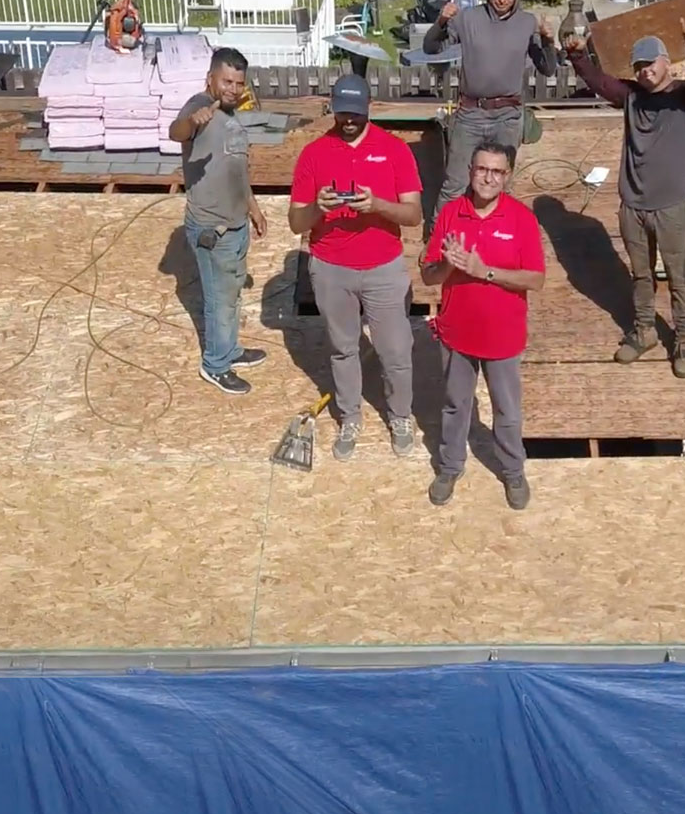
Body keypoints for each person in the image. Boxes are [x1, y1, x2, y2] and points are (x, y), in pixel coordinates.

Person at [288, 74, 426, 460]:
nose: (349, 120)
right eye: (343, 112)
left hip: (383, 267)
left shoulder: (395, 150)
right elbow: (296, 223)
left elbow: (414, 214)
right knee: (343, 348)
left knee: (396, 350)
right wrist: (320, 207)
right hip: (331, 267)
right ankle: (350, 416)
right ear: (333, 107)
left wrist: (377, 205)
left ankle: (400, 415)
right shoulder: (314, 154)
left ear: (369, 108)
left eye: (356, 113)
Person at [565, 19, 685, 378]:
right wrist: (578, 56)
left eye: (650, 64)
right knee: (641, 275)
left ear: (666, 63)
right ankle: (645, 330)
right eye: (638, 67)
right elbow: (599, 82)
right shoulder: (630, 97)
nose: (645, 72)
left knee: (679, 276)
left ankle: (684, 338)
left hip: (672, 205)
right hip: (633, 204)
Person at [419, 142, 545, 510]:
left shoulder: (521, 218)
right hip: (456, 333)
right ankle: (449, 466)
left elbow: (535, 279)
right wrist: (448, 267)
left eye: (497, 172)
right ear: (470, 171)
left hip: (503, 337)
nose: (488, 178)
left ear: (507, 176)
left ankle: (512, 470)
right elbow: (428, 276)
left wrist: (483, 271)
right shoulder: (450, 214)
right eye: (481, 170)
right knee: (456, 405)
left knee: (507, 411)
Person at [168, 46, 270, 394]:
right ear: (210, 78)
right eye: (226, 81)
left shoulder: (231, 119)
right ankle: (215, 364)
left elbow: (236, 171)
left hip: (236, 225)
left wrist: (253, 208)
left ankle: (231, 350)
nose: (232, 89)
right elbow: (175, 131)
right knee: (219, 300)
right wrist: (190, 122)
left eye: (238, 83)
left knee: (232, 295)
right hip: (212, 228)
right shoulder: (199, 106)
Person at [422, 0, 558, 218]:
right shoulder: (468, 18)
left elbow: (548, 68)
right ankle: (437, 243)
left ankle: (494, 242)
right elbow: (431, 48)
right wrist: (441, 21)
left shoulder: (528, 23)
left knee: (500, 184)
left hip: (507, 117)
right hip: (471, 114)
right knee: (456, 183)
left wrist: (549, 41)